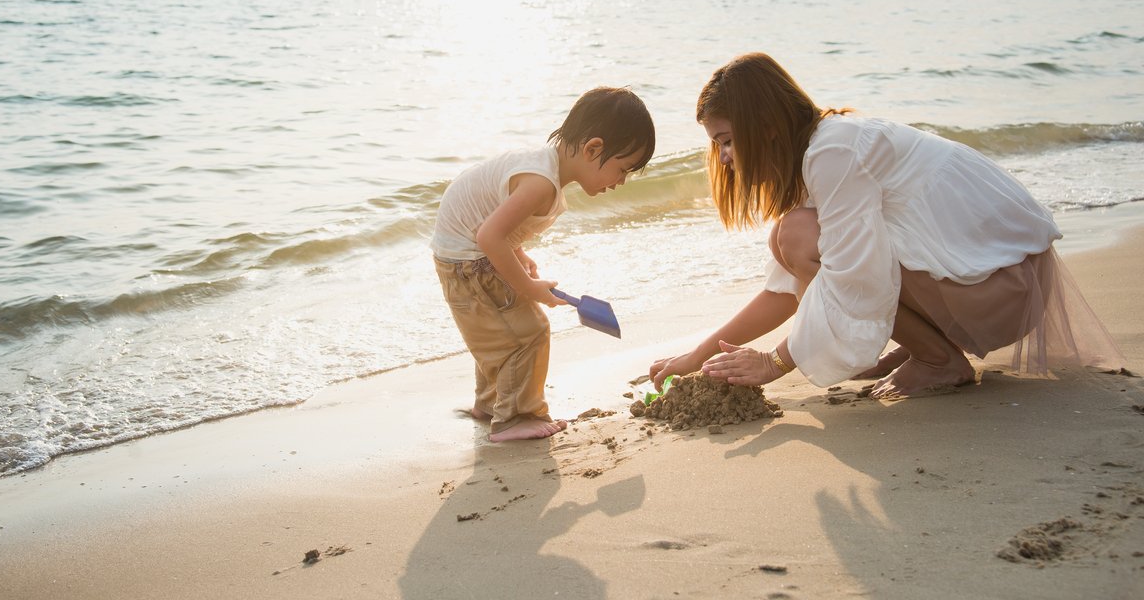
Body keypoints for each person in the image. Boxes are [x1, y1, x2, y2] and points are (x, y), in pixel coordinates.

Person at [649, 52, 1123, 399]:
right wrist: (696, 355)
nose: (725, 157)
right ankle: (929, 346)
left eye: (728, 140)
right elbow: (786, 291)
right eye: (718, 145)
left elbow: (856, 275)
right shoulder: (823, 148)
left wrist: (775, 363)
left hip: (1003, 289)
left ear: (766, 125)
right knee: (791, 238)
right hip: (999, 280)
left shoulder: (832, 152)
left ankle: (938, 359)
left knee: (796, 236)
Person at [433, 87, 655, 441]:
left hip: (462, 255)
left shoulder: (543, 170)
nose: (621, 182)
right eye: (623, 169)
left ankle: (489, 405)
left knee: (498, 332)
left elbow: (493, 222)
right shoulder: (540, 183)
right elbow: (489, 236)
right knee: (527, 333)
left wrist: (518, 255)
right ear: (593, 148)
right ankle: (515, 418)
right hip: (468, 262)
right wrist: (527, 287)